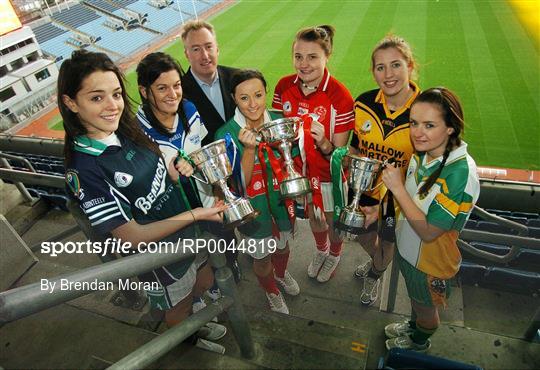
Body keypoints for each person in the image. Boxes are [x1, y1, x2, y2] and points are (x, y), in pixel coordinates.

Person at [60, 50, 227, 353]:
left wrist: (178, 172)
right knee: (178, 306)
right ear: (71, 103)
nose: (112, 106)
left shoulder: (125, 129)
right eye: (97, 98)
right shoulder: (85, 169)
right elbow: (132, 236)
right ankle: (188, 339)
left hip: (190, 236)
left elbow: (162, 177)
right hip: (159, 259)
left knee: (203, 280)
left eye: (115, 94)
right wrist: (196, 215)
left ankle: (196, 320)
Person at [381, 87, 480, 351]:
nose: (417, 132)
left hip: (430, 261)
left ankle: (418, 343)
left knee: (427, 311)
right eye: (414, 123)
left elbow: (429, 232)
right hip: (408, 249)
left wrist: (398, 189)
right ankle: (414, 325)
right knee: (417, 301)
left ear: (450, 128)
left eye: (429, 125)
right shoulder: (427, 151)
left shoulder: (459, 173)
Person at [272, 25, 354, 283]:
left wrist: (324, 143)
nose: (304, 64)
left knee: (331, 219)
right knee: (314, 218)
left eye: (312, 57)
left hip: (327, 175)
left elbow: (339, 152)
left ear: (326, 56)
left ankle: (335, 253)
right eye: (298, 57)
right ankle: (321, 251)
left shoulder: (340, 96)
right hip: (297, 173)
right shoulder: (283, 86)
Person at [215, 69, 300, 314]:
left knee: (283, 247)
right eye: (244, 98)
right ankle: (271, 290)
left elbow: (293, 162)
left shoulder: (280, 120)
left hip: (283, 203)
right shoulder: (225, 135)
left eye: (258, 95)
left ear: (266, 93)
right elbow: (236, 188)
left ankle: (281, 275)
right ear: (233, 98)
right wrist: (249, 151)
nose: (253, 104)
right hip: (253, 211)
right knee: (261, 260)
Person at [350, 35, 420, 306]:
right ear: (373, 71)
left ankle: (375, 273)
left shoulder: (425, 109)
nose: (388, 75)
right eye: (381, 67)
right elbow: (355, 147)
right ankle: (376, 265)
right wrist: (351, 165)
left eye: (396, 65)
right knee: (364, 237)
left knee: (388, 244)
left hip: (398, 200)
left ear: (410, 65)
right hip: (365, 190)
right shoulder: (364, 103)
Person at [180, 20, 239, 145]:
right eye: (196, 49)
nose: (205, 55)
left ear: (217, 49)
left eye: (208, 46)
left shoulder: (237, 78)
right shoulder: (179, 93)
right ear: (187, 54)